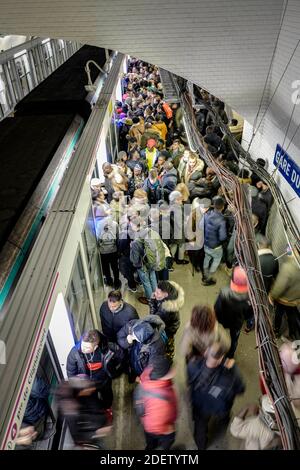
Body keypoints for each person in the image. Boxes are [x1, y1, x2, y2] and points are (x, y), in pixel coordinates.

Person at [187, 341, 245, 449]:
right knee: (224, 418)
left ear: (205, 353)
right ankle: (222, 425)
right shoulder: (229, 377)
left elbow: (189, 383)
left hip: (199, 406)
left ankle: (201, 445)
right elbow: (241, 389)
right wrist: (233, 368)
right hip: (219, 408)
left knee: (200, 428)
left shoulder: (192, 365)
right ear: (221, 358)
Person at [134, 355, 178, 450]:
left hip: (147, 424)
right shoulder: (164, 397)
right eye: (170, 371)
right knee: (168, 441)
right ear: (163, 376)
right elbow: (164, 421)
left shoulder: (147, 373)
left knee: (150, 443)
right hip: (158, 428)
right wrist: (169, 429)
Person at [56, 376, 112, 449]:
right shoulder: (70, 412)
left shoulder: (85, 390)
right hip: (93, 434)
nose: (92, 390)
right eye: (89, 388)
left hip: (99, 423)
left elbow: (95, 399)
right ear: (80, 391)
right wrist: (97, 432)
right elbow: (78, 437)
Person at [66, 330, 113, 409]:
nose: (83, 349)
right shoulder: (74, 353)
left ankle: (107, 408)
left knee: (107, 397)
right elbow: (71, 373)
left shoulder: (104, 350)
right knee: (92, 401)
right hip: (87, 385)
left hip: (103, 381)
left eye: (87, 347)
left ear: (95, 347)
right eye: (82, 345)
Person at [214, 266, 253, 357]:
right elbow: (249, 315)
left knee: (219, 336)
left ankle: (219, 352)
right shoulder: (250, 298)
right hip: (237, 324)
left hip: (223, 321)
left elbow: (217, 309)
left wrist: (219, 319)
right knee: (234, 340)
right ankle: (230, 355)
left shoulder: (224, 293)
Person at [269, 249, 300, 340]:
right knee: (291, 316)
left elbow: (279, 287)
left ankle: (275, 331)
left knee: (278, 313)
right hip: (295, 299)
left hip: (283, 299)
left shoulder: (288, 267)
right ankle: (292, 333)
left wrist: (272, 295)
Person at [149, 281, 185, 359]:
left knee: (169, 341)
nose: (154, 294)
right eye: (155, 290)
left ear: (166, 294)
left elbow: (154, 319)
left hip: (169, 329)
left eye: (158, 293)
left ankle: (169, 356)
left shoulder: (166, 309)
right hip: (172, 323)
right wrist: (156, 299)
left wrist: (152, 302)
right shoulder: (171, 294)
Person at [129, 217, 161, 304]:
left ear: (136, 226)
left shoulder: (136, 240)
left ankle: (150, 300)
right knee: (153, 278)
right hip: (152, 261)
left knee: (146, 282)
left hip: (143, 265)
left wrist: (131, 247)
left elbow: (135, 259)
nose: (130, 226)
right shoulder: (149, 231)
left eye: (131, 225)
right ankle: (157, 296)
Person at [202, 196, 227, 285]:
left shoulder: (207, 214)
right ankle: (209, 278)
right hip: (215, 246)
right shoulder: (221, 220)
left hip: (206, 243)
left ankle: (204, 274)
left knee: (207, 257)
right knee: (216, 259)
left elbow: (202, 227)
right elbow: (222, 237)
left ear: (214, 205)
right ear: (223, 207)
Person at [97, 217, 121, 289]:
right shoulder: (115, 224)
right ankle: (116, 282)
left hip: (103, 251)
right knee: (115, 267)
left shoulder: (98, 224)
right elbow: (118, 237)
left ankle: (109, 281)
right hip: (113, 250)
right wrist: (118, 249)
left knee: (106, 267)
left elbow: (97, 237)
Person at [169, 190, 189, 265]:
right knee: (181, 245)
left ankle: (171, 259)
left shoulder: (173, 206)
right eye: (180, 198)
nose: (182, 199)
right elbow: (179, 223)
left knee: (175, 245)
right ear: (175, 200)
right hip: (179, 231)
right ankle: (179, 260)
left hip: (175, 231)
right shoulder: (176, 209)